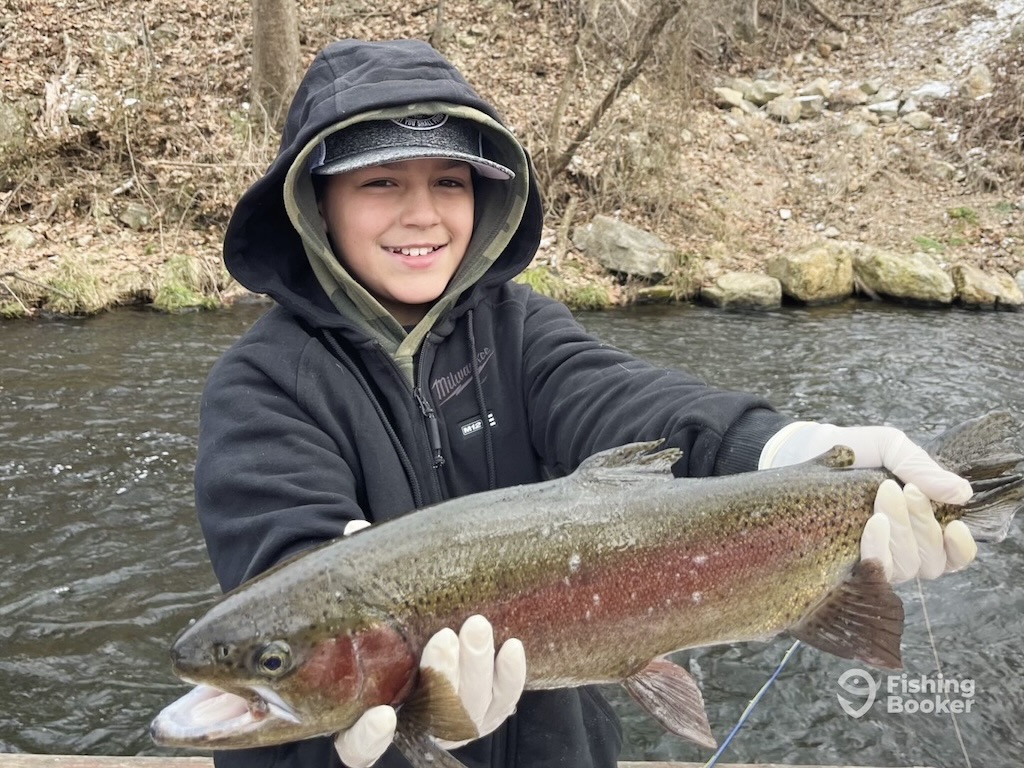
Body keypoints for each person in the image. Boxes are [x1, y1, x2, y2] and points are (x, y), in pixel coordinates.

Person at [193, 38, 978, 768]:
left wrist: (788, 451)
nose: (423, 214)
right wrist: (400, 706)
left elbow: (628, 403)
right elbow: (290, 569)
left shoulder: (524, 329)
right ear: (315, 202)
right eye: (381, 183)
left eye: (451, 182)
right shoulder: (260, 385)